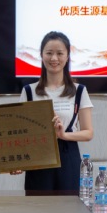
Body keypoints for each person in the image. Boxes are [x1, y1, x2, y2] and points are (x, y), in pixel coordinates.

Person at [18, 31, 94, 191]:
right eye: (49, 53)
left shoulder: (79, 90)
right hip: (38, 158)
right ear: (41, 55)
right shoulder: (29, 91)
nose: (54, 58)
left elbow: (88, 133)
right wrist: (18, 162)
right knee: (38, 204)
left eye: (59, 53)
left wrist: (63, 135)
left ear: (67, 56)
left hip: (68, 154)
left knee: (68, 205)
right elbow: (22, 133)